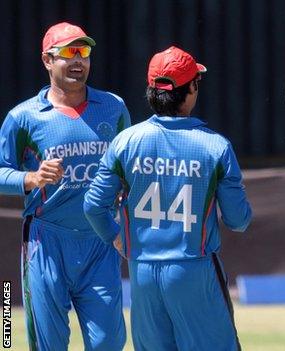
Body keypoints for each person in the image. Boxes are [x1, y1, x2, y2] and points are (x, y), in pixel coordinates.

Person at [83, 46, 251, 351]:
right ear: (192, 88)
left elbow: (93, 206)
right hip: (195, 269)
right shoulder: (215, 147)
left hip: (142, 272)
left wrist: (115, 236)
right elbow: (238, 221)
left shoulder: (125, 141)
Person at [0, 22, 129, 350]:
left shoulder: (113, 108)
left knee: (108, 344)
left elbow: (129, 170)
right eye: (69, 52)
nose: (79, 60)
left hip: (100, 243)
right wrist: (30, 178)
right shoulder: (24, 118)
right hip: (47, 243)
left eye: (84, 52)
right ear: (47, 60)